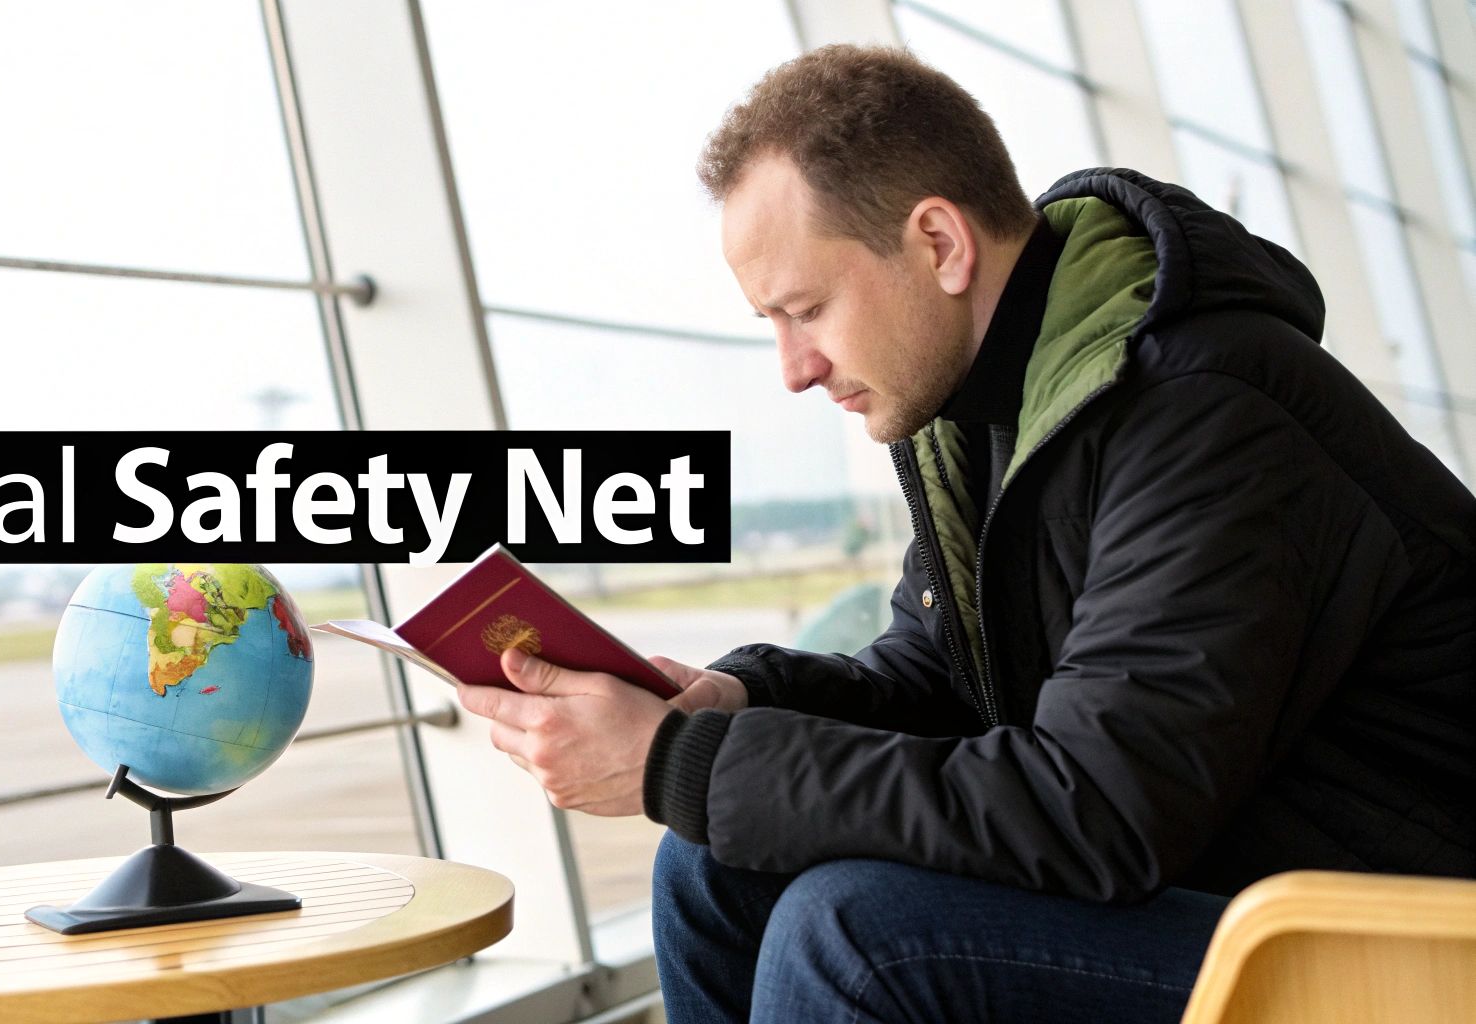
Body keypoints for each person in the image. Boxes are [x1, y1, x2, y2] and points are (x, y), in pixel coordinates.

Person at [456, 44, 1475, 1023]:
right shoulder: (988, 412)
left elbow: (1098, 809)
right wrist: (736, 700)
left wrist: (689, 763)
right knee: (712, 866)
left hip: (1398, 942)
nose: (793, 368)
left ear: (938, 244)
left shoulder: (1204, 414)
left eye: (804, 308)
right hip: (1243, 888)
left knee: (854, 936)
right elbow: (943, 680)